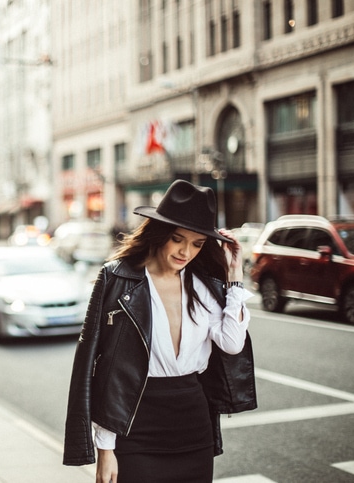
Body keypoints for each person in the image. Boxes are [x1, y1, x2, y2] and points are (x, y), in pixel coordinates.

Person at [63, 180, 257, 482]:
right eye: (178, 239)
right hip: (136, 425)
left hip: (194, 425)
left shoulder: (203, 285)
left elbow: (232, 344)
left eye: (197, 244)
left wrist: (234, 277)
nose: (186, 251)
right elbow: (107, 369)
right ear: (159, 232)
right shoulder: (119, 279)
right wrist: (105, 448)